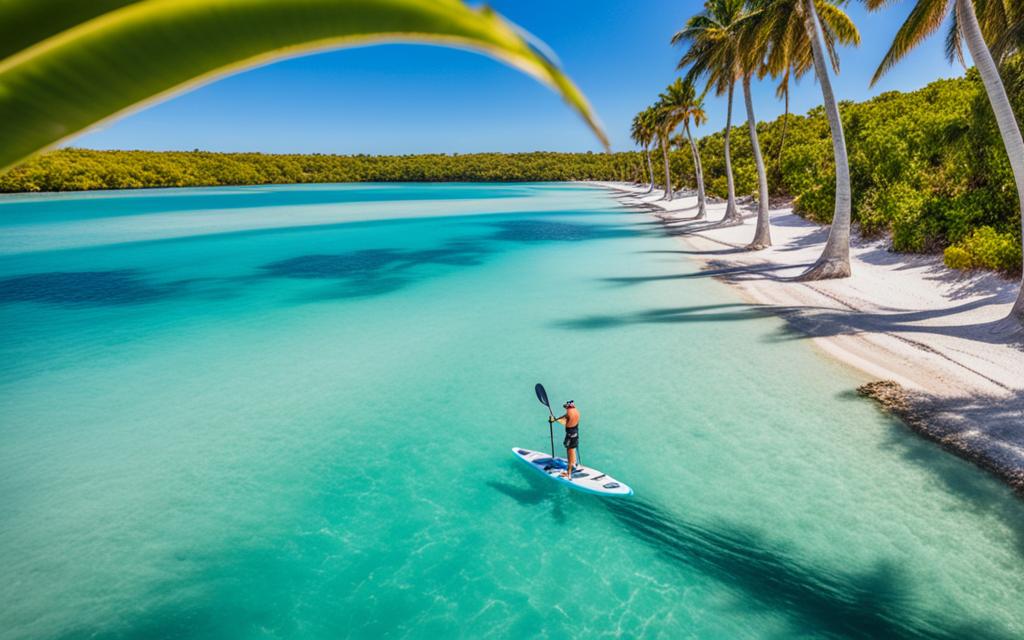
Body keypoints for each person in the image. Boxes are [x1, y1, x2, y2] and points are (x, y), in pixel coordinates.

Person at [549, 400, 580, 479]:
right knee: (573, 449)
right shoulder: (576, 412)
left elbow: (562, 420)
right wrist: (556, 419)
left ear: (568, 407)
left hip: (570, 435)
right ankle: (574, 464)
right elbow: (566, 420)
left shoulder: (568, 413)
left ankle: (568, 473)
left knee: (569, 453)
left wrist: (553, 420)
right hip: (576, 434)